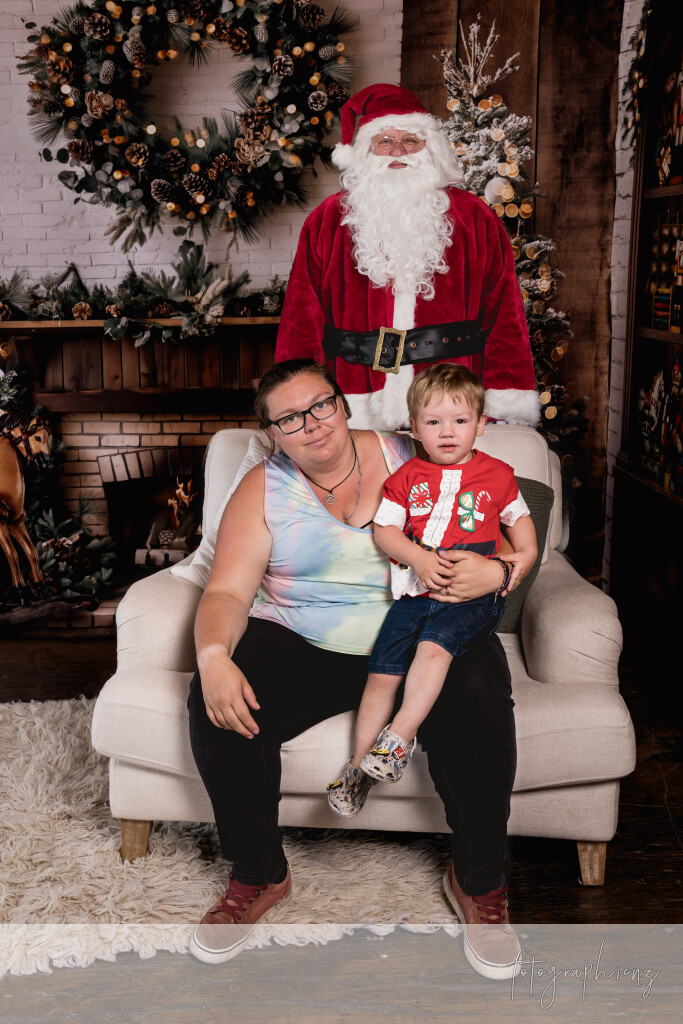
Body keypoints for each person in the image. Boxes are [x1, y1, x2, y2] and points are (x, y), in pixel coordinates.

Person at [187, 358, 521, 981]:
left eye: (320, 405)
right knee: (218, 700)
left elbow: (494, 531)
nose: (312, 424)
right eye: (290, 419)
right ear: (272, 433)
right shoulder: (263, 487)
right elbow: (227, 593)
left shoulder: (413, 452)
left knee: (479, 688)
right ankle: (259, 874)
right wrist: (212, 658)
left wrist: (499, 570)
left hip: (421, 626)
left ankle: (479, 881)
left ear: (342, 405)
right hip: (303, 635)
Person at [326, 364, 537, 816]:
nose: (447, 432)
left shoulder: (497, 474)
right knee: (381, 675)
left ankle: (398, 739)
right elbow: (385, 529)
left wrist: (522, 559)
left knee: (432, 650)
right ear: (414, 428)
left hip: (470, 599)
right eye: (433, 421)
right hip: (415, 593)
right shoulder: (406, 477)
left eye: (460, 421)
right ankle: (357, 770)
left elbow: (520, 524)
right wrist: (417, 558)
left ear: (480, 424)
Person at [276, 82, 540, 432]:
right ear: (365, 151)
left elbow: (505, 315)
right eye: (384, 141)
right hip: (356, 402)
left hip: (450, 404)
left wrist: (506, 399)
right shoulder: (326, 221)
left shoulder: (475, 217)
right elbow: (301, 320)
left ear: (429, 148)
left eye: (410, 140)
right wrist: (299, 404)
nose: (397, 151)